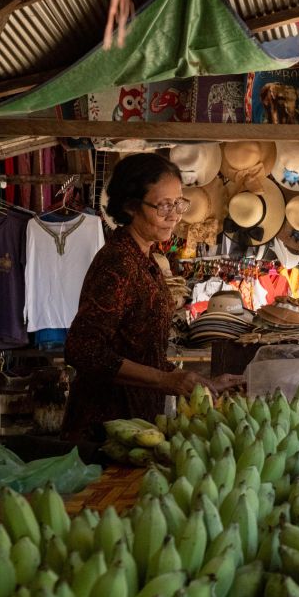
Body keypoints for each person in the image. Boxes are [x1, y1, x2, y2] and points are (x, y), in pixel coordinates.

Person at [62, 153, 241, 441]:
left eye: (178, 203)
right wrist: (165, 379)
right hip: (104, 427)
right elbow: (83, 350)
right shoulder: (118, 263)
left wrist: (201, 383)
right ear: (131, 206)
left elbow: (142, 354)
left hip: (138, 420)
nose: (174, 215)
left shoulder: (147, 260)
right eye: (163, 205)